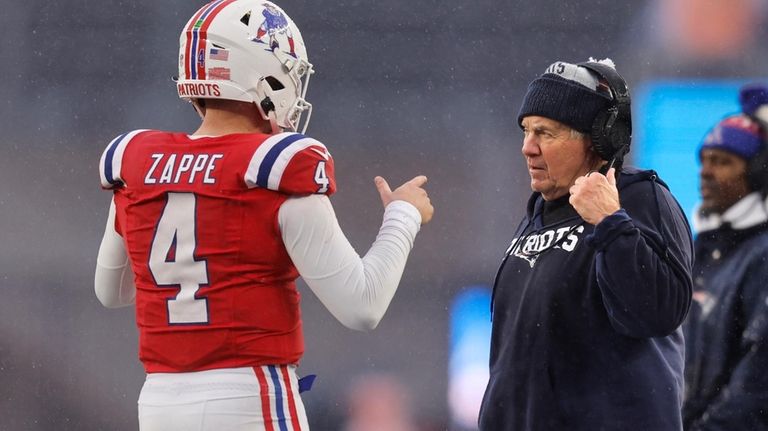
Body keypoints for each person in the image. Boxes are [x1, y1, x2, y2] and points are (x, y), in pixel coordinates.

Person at [93, 1, 433, 430]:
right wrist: (403, 215)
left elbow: (111, 291)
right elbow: (361, 307)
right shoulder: (273, 166)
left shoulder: (135, 162)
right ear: (264, 77)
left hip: (160, 403)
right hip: (250, 396)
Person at [478, 59, 694, 430]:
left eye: (545, 133)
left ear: (597, 139)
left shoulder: (639, 198)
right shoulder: (538, 216)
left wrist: (611, 223)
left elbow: (659, 311)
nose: (527, 148)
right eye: (526, 131)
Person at [682, 84, 768, 430]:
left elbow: (757, 383)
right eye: (704, 159)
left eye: (723, 162)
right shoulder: (697, 249)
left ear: (758, 173)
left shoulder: (762, 255)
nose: (706, 171)